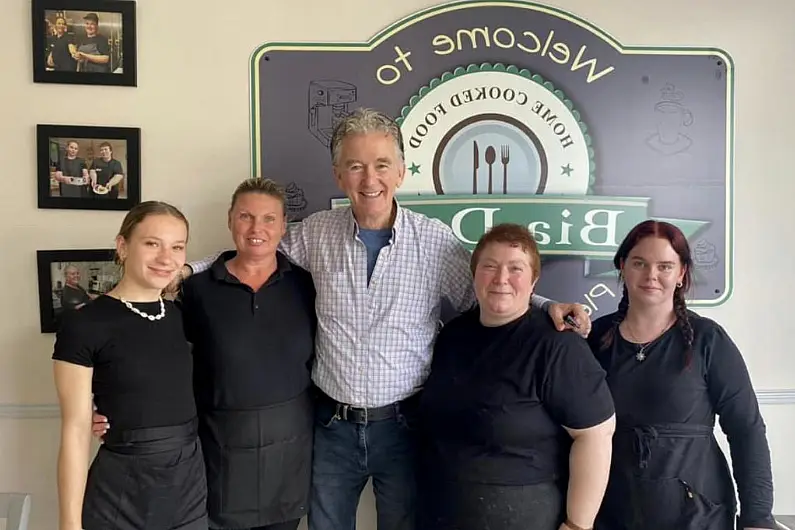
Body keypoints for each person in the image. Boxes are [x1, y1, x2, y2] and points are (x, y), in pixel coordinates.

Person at [172, 108, 590, 530]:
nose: (369, 180)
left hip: (406, 427)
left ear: (401, 173)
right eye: (355, 166)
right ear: (338, 175)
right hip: (331, 427)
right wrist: (188, 270)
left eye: (381, 165)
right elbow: (254, 250)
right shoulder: (316, 233)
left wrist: (542, 304)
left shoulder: (434, 241)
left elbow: (490, 290)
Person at [417, 223, 616, 530]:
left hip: (524, 514)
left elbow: (595, 435)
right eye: (490, 266)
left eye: (515, 268)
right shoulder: (453, 336)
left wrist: (578, 525)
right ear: (474, 276)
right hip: (441, 511)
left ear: (534, 281)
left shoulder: (557, 345)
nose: (501, 278)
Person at [587, 220, 776, 530]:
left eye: (665, 266)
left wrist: (758, 518)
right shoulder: (595, 339)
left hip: (697, 516)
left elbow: (747, 430)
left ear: (681, 273)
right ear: (622, 266)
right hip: (610, 513)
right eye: (639, 263)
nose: (651, 275)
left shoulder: (708, 340)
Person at [53, 201, 208, 530]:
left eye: (177, 247)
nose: (166, 258)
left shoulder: (182, 316)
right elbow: (77, 430)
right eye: (152, 243)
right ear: (123, 247)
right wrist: (69, 524)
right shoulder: (85, 324)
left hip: (189, 484)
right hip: (121, 488)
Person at [178, 178, 317, 530]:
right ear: (229, 220)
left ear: (284, 225)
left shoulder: (308, 285)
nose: (257, 228)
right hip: (219, 460)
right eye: (245, 217)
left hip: (289, 460)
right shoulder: (195, 290)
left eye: (269, 219)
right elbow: (163, 363)